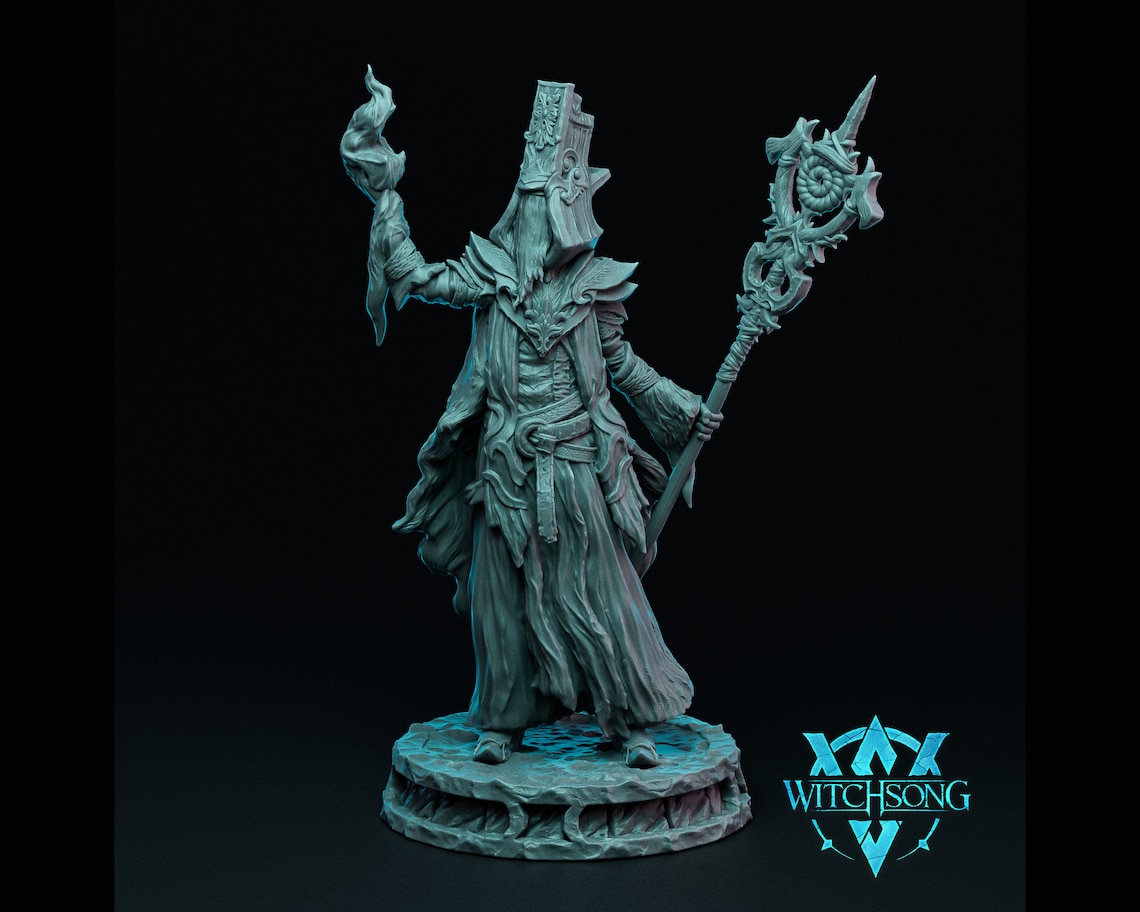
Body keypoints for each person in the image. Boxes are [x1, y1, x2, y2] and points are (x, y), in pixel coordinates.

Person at [342, 76, 721, 768]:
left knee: (603, 595)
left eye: (552, 205)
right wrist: (386, 199)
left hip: (576, 467)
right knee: (503, 606)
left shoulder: (593, 288)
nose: (540, 219)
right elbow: (418, 278)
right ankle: (503, 722)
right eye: (531, 203)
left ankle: (630, 721)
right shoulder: (490, 278)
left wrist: (679, 408)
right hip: (506, 469)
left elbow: (622, 364)